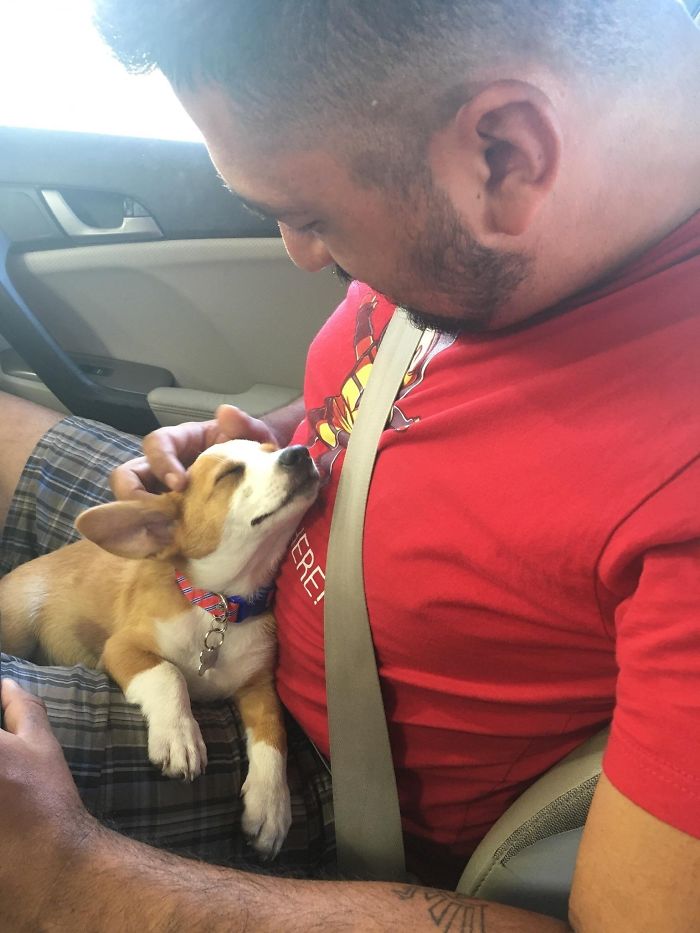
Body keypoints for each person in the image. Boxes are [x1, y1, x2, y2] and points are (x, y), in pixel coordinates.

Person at [0, 0, 699, 929]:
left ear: (507, 153)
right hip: (238, 553)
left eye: (308, 215)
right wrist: (275, 432)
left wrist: (66, 879)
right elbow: (386, 399)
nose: (300, 254)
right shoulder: (489, 227)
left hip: (319, 765)